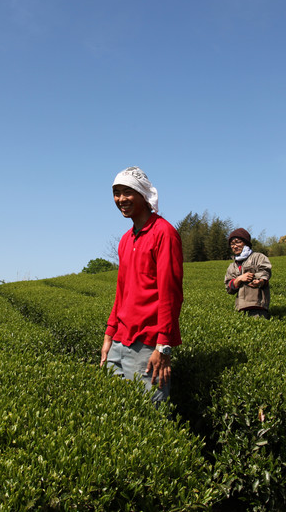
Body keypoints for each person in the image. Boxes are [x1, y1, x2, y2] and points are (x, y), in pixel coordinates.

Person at [100, 166, 183, 404]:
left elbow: (171, 294)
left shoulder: (164, 233)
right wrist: (109, 335)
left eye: (127, 192)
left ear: (143, 194)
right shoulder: (126, 240)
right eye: (116, 193)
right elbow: (121, 292)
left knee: (150, 419)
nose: (121, 199)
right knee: (117, 414)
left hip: (148, 345)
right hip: (119, 341)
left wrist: (164, 348)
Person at [224, 228, 272, 319]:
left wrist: (260, 281)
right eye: (232, 244)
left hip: (258, 306)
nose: (234, 246)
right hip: (240, 308)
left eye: (237, 242)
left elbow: (265, 271)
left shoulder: (258, 257)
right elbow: (229, 288)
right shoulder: (232, 266)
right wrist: (239, 279)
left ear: (246, 243)